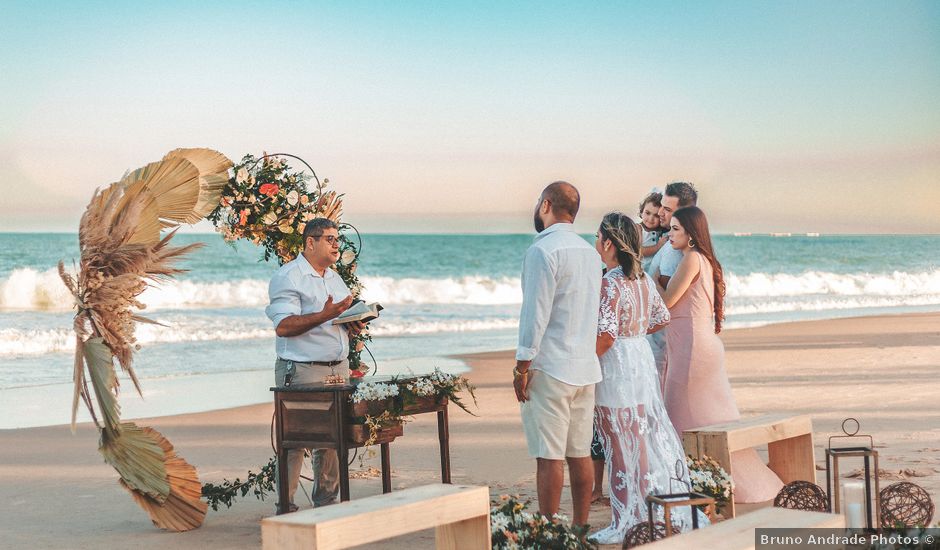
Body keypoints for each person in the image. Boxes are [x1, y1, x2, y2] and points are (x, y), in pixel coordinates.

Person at [656, 206, 784, 502]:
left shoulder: (691, 260)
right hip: (698, 346)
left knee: (678, 417)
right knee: (706, 418)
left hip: (691, 352)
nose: (669, 234)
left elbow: (667, 302)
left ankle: (691, 486)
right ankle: (705, 483)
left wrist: (650, 277)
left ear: (690, 234)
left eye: (675, 229)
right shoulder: (705, 260)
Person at [587, 212, 692, 544]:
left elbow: (604, 336)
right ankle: (644, 510)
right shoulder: (642, 278)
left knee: (619, 443)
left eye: (597, 236)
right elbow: (661, 318)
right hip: (640, 359)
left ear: (608, 243)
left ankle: (626, 519)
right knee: (639, 438)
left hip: (618, 365)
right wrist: (634, 332)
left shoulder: (611, 281)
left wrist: (584, 364)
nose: (594, 242)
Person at [514, 181, 602, 528]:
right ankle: (579, 528)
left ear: (546, 204)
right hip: (584, 365)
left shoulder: (543, 251)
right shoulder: (590, 253)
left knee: (548, 455)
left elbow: (535, 313)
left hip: (551, 366)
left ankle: (549, 529)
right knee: (579, 453)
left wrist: (522, 366)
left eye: (539, 202)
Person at [265, 218, 366, 512]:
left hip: (338, 367)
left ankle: (326, 502)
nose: (337, 245)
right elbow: (283, 326)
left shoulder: (334, 277)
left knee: (332, 439)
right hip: (303, 369)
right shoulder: (288, 277)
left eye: (338, 240)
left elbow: (335, 318)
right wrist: (324, 315)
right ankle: (286, 505)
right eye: (330, 239)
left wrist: (351, 324)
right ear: (311, 242)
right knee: (295, 439)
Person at [644, 182, 698, 390]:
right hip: (659, 340)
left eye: (667, 209)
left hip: (663, 343)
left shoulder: (676, 252)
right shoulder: (671, 243)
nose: (660, 212)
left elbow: (665, 302)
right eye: (662, 206)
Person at [638, 190, 666, 271]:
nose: (651, 219)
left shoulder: (661, 231)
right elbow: (638, 251)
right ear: (641, 212)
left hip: (654, 272)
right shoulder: (638, 228)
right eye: (647, 213)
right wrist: (657, 247)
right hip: (641, 272)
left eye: (656, 215)